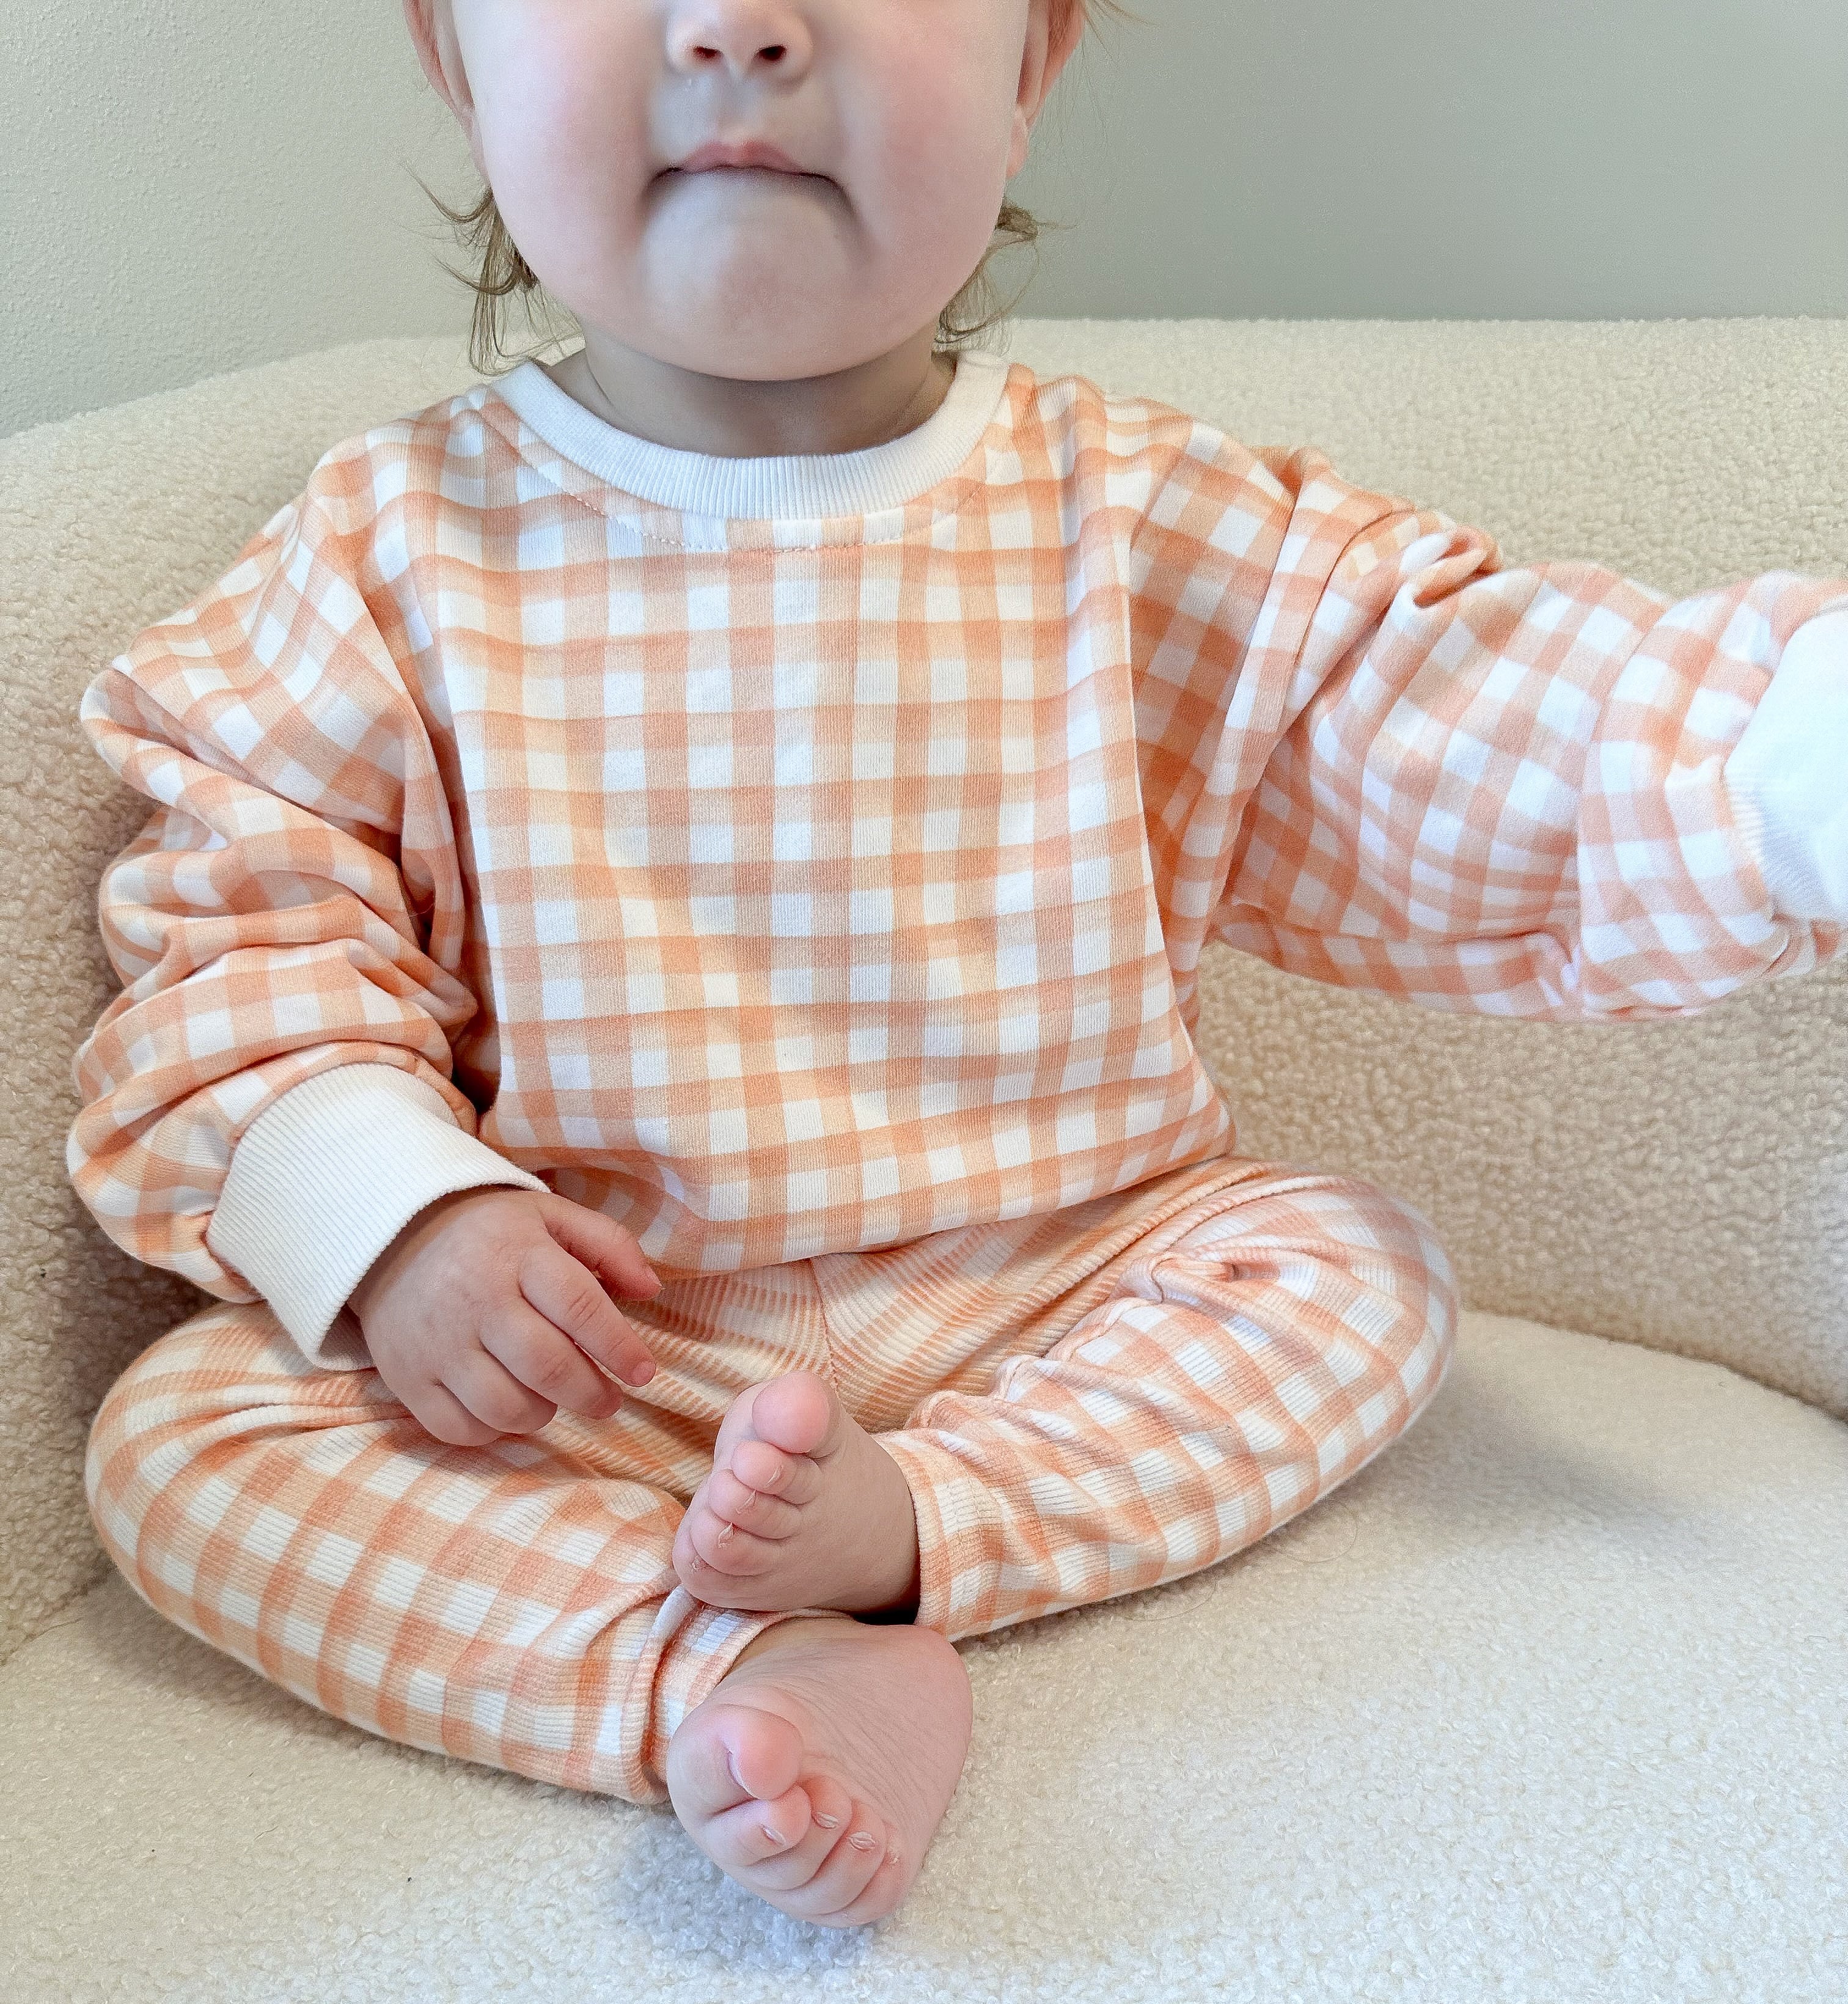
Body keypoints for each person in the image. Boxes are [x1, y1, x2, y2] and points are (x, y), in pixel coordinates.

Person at [69, 0, 1848, 1934]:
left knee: (1352, 1265)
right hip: (607, 1349)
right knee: (186, 1439)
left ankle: (923, 1534)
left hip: (1072, 1288)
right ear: (450, 55)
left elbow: (1461, 713)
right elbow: (246, 939)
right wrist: (402, 1224)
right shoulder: (376, 559)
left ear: (1033, 63)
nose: (740, 26)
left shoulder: (1157, 525)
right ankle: (719, 1666)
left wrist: (1775, 759)